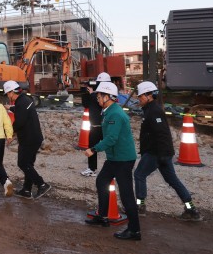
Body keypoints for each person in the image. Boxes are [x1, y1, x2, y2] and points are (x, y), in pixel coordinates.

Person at [133, 81, 202, 221]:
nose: (138, 98)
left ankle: (140, 206)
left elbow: (161, 134)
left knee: (139, 174)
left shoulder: (154, 111)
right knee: (172, 180)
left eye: (140, 96)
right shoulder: (151, 110)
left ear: (149, 96)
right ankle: (191, 209)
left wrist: (162, 155)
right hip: (162, 153)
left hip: (156, 152)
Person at [84, 82, 141, 240]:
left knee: (126, 195)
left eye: (99, 95)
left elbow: (111, 139)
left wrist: (93, 149)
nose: (97, 98)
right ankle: (102, 216)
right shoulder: (109, 111)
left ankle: (134, 230)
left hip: (123, 159)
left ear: (108, 97)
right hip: (114, 158)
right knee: (101, 181)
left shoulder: (115, 114)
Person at [4, 80, 52, 199]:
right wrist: (12, 108)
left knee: (23, 163)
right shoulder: (25, 99)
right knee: (28, 164)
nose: (8, 96)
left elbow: (19, 122)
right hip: (34, 137)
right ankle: (26, 190)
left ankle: (41, 184)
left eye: (7, 94)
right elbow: (22, 112)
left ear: (11, 92)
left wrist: (9, 133)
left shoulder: (22, 102)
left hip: (29, 139)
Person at [80, 72, 112, 177]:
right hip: (94, 126)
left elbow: (101, 104)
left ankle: (115, 170)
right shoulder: (95, 94)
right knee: (92, 147)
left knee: (111, 148)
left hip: (104, 126)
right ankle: (91, 168)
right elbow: (86, 104)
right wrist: (85, 93)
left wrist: (93, 94)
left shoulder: (107, 94)